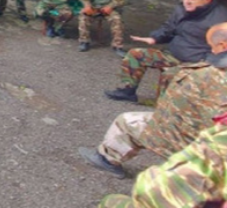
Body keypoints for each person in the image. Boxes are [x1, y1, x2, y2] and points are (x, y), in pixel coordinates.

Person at [79, 22, 227, 180]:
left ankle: (105, 158)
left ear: (223, 45)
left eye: (212, 46)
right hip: (215, 144)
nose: (211, 50)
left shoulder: (204, 76)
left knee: (128, 121)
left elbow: (172, 116)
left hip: (201, 149)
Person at [105, 0, 227, 103]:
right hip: (173, 54)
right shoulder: (182, 9)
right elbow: (169, 27)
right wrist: (155, 38)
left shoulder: (220, 18)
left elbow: (222, 51)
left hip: (195, 62)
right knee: (136, 54)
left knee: (169, 75)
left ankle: (163, 107)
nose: (186, 1)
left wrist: (205, 67)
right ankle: (128, 91)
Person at [99, 111, 227, 207]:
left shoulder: (220, 142)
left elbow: (155, 196)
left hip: (180, 137)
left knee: (110, 202)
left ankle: (108, 158)